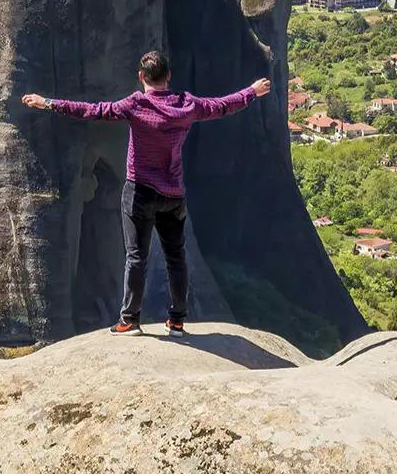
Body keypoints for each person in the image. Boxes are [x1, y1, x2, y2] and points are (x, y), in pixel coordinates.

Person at [22, 50, 270, 336]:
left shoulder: (136, 104)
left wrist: (48, 103)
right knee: (176, 257)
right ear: (169, 76)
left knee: (136, 257)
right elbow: (222, 105)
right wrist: (252, 92)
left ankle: (130, 320)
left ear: (141, 77)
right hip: (173, 195)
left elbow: (93, 110)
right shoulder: (186, 104)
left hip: (139, 191)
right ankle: (177, 321)